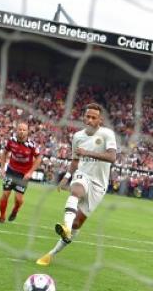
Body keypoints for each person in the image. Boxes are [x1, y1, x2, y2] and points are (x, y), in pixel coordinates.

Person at [36, 103, 118, 266]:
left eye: (93, 117)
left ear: (100, 120)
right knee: (76, 191)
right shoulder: (78, 137)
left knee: (77, 224)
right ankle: (65, 226)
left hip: (99, 185)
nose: (89, 120)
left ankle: (51, 254)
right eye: (87, 116)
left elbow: (112, 157)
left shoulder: (107, 134)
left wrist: (87, 153)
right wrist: (67, 176)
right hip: (83, 175)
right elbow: (75, 161)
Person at [0, 121, 41, 223]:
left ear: (27, 132)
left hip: (23, 175)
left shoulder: (31, 145)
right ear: (16, 130)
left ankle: (15, 210)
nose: (21, 132)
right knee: (5, 194)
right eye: (20, 129)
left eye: (24, 130)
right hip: (11, 171)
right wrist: (3, 168)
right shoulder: (11, 141)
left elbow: (39, 158)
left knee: (19, 199)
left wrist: (30, 172)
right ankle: (2, 216)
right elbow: (4, 153)